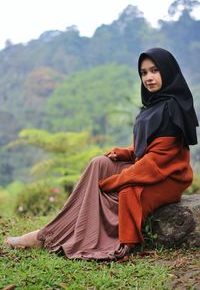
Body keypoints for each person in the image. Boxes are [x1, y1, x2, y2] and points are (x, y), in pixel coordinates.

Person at [4, 47, 199, 260]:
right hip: (152, 167)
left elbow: (158, 160)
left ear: (168, 71)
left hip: (168, 177)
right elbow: (148, 147)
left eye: (154, 71)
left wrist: (115, 181)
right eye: (143, 73)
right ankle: (50, 233)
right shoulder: (154, 105)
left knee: (126, 191)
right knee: (100, 163)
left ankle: (44, 237)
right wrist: (125, 153)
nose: (148, 78)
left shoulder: (172, 107)